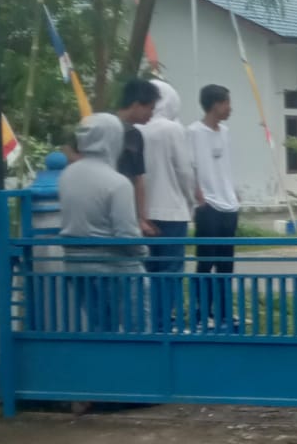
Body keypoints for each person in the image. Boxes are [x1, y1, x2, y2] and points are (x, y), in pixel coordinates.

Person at [59, 112, 145, 333]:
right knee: (137, 321)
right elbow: (127, 236)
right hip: (112, 265)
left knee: (100, 326)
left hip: (74, 264)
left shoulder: (67, 175)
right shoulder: (118, 183)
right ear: (113, 139)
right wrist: (143, 250)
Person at [139, 80, 195, 333]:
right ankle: (162, 324)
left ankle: (144, 323)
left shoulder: (134, 128)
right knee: (170, 270)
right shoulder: (172, 129)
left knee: (145, 270)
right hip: (172, 211)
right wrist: (192, 200)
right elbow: (184, 170)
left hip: (140, 213)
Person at [189, 84, 240, 332]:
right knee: (205, 261)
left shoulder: (226, 131)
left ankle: (223, 312)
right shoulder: (193, 132)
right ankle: (201, 311)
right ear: (215, 104)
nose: (230, 108)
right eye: (227, 103)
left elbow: (227, 166)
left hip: (229, 204)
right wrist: (199, 197)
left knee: (226, 263)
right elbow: (190, 167)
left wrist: (234, 192)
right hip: (208, 205)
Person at [113, 78, 160, 237]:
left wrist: (142, 218)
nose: (151, 115)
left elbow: (138, 178)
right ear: (136, 104)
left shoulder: (135, 135)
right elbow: (138, 179)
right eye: (150, 108)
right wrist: (141, 218)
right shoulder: (130, 134)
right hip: (118, 206)